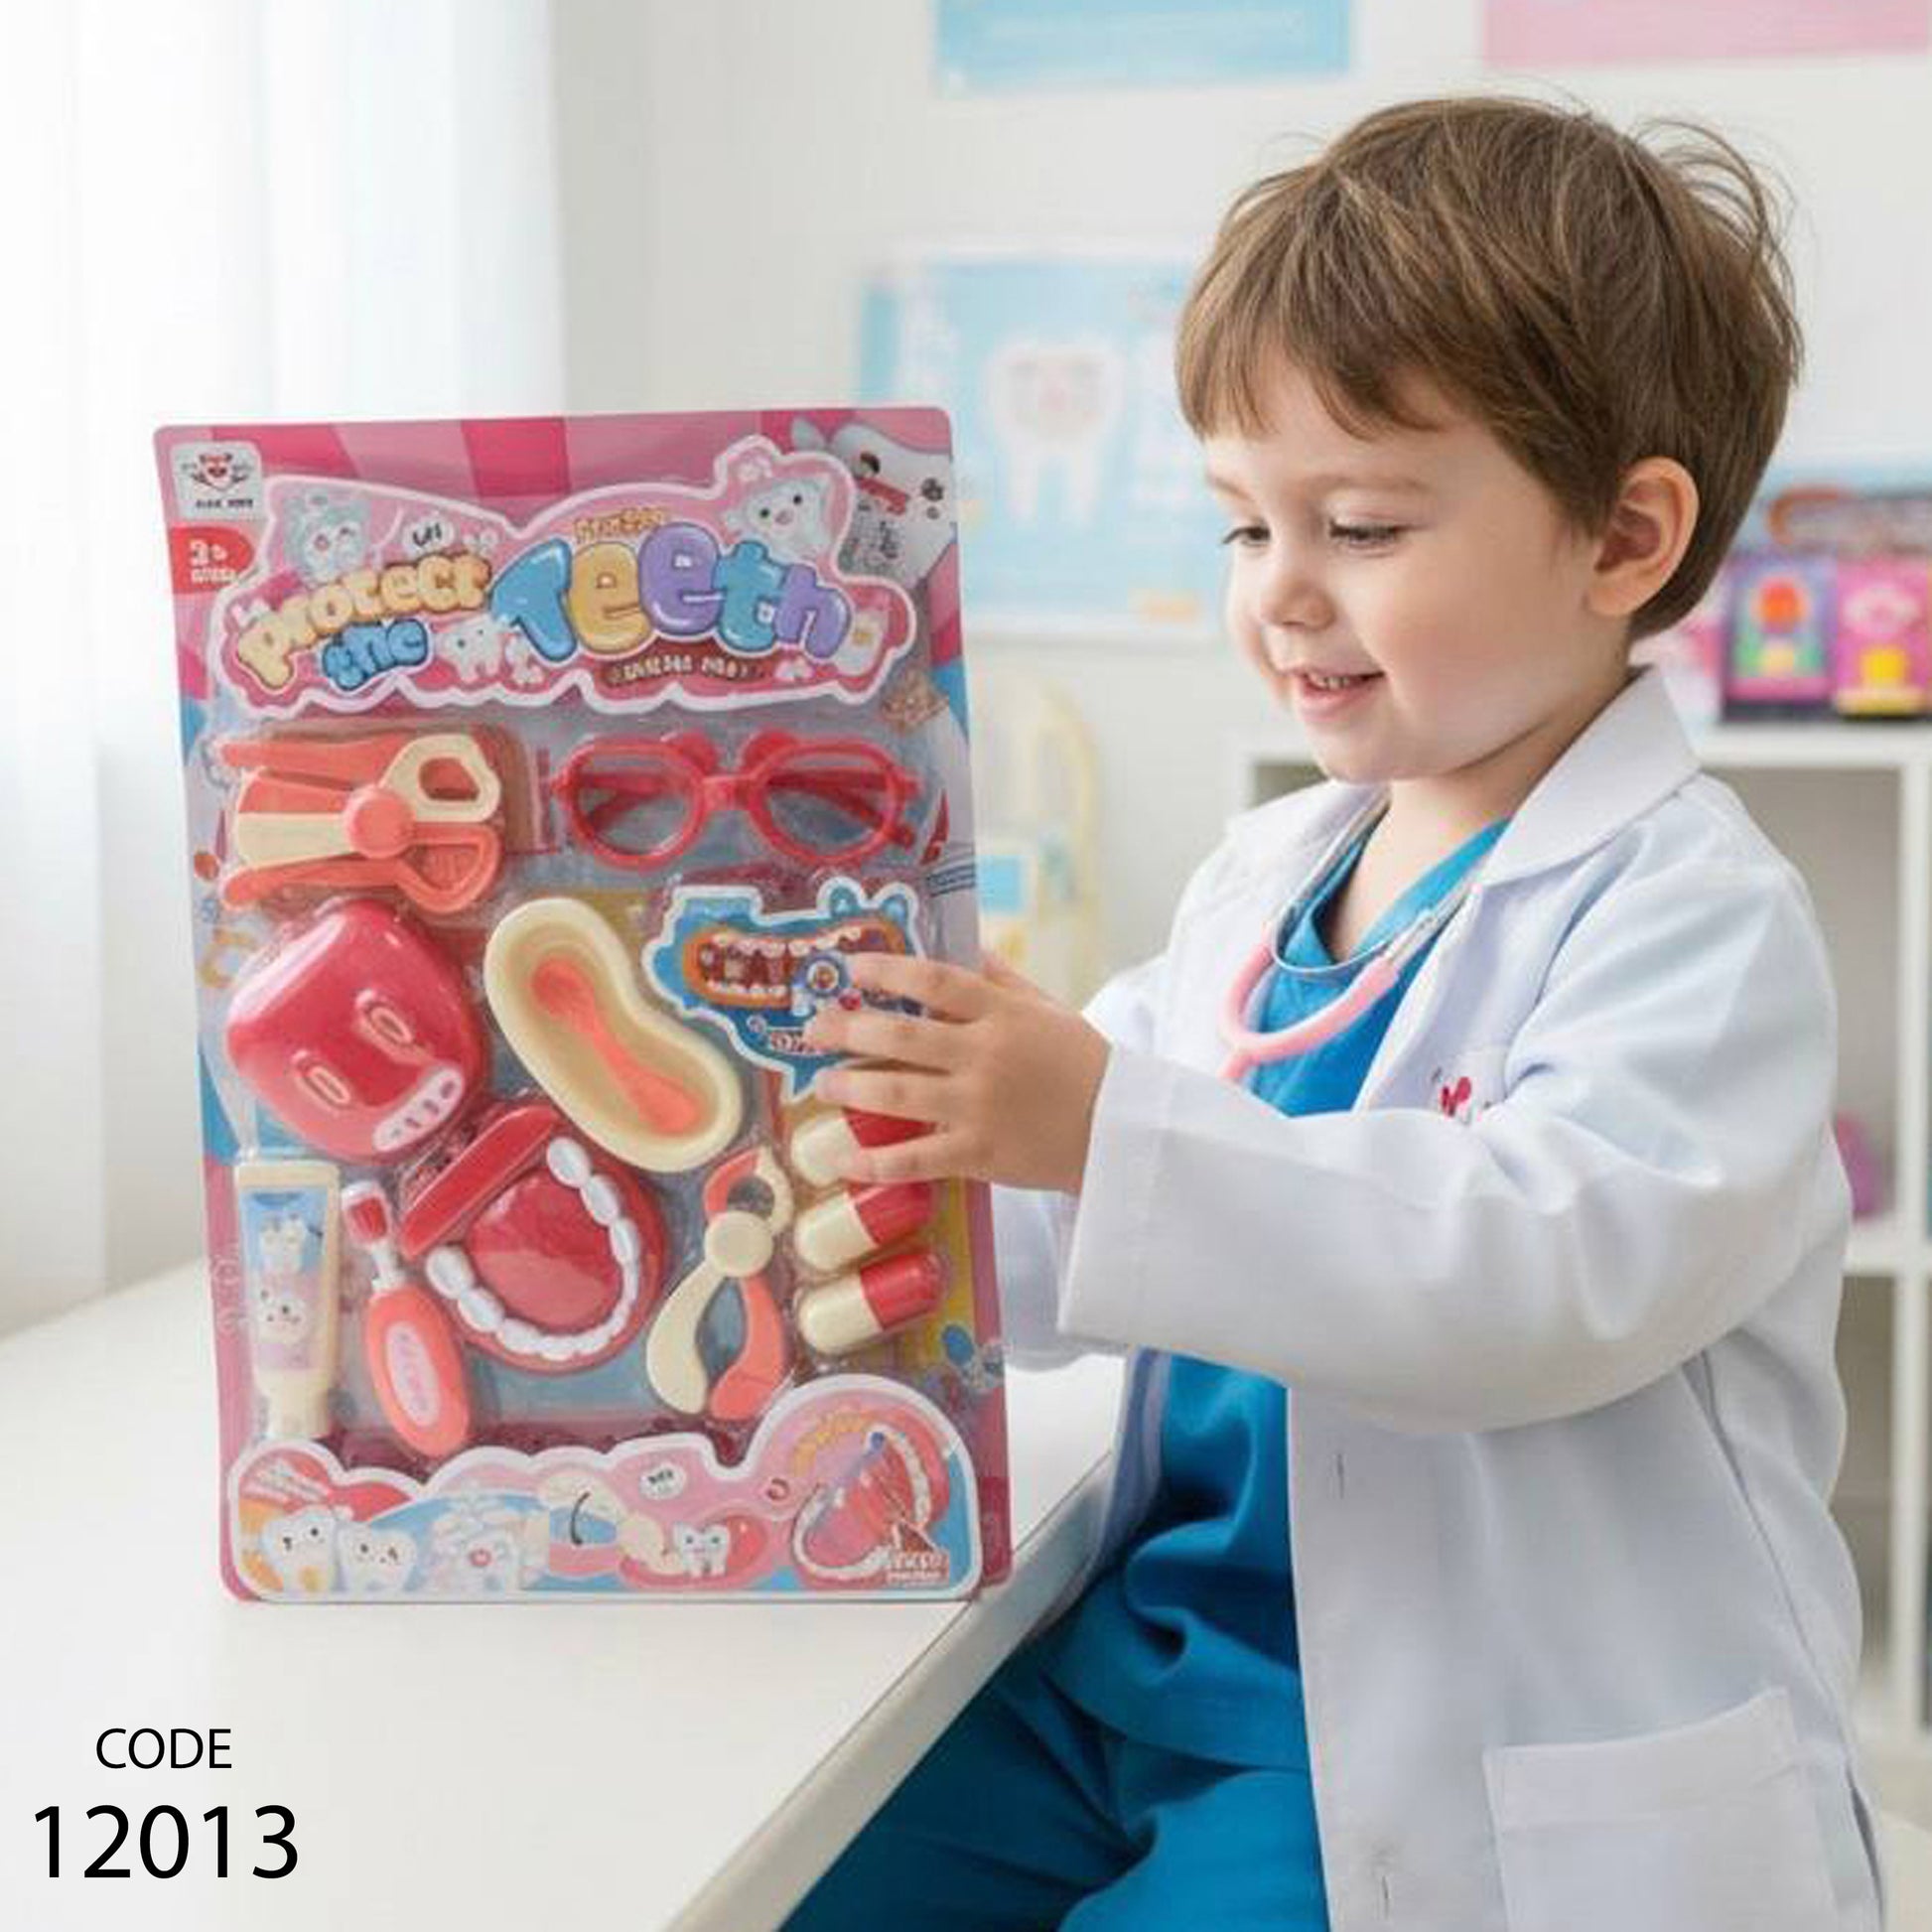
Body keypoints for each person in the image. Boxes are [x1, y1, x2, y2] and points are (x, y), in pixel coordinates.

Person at [786, 93, 1882, 1931]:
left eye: (1360, 524)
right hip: (1137, 1677)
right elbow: (1082, 1218)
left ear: (1623, 538)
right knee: (795, 1877)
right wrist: (930, 1175)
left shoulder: (1692, 918)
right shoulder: (1266, 877)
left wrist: (1092, 1125)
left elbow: (1531, 1276)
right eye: (1242, 526)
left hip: (1420, 1751)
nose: (1279, 593)